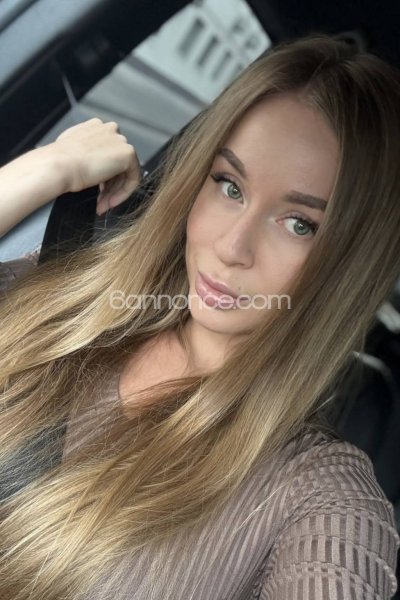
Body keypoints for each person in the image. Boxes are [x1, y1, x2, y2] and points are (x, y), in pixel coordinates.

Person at [0, 32, 399, 600]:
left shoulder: (316, 493)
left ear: (348, 264)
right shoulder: (78, 297)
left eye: (299, 224)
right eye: (230, 186)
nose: (233, 246)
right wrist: (48, 169)